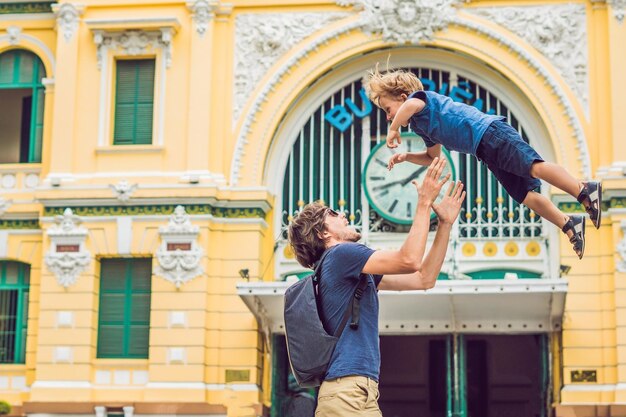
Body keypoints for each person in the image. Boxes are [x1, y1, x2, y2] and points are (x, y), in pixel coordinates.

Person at [364, 66, 601, 260]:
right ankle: (569, 223)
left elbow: (411, 106)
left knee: (533, 165)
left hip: (491, 133)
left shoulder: (419, 100)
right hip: (485, 151)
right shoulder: (420, 126)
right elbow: (433, 157)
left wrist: (393, 129)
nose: (387, 117)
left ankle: (583, 190)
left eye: (387, 109)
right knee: (525, 195)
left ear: (403, 98)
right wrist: (407, 157)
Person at [288, 158, 465, 416]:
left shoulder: (351, 270)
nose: (343, 215)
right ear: (323, 234)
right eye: (333, 214)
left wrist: (445, 225)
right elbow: (409, 260)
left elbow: (424, 278)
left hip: (362, 391)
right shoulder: (341, 255)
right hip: (346, 393)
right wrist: (424, 202)